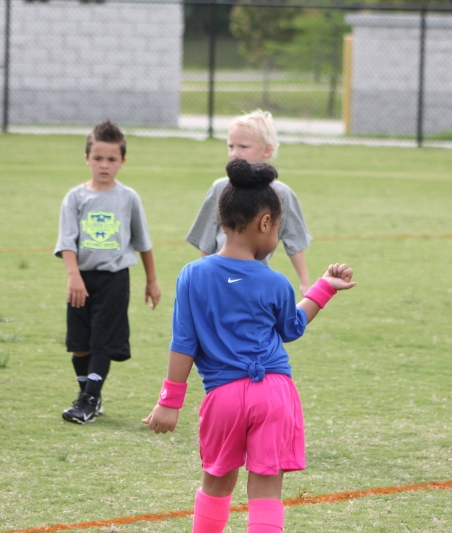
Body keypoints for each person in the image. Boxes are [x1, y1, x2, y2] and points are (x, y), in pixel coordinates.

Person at [142, 158, 356, 532]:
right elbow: (292, 328)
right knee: (267, 491)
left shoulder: (192, 275)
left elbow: (184, 342)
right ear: (265, 223)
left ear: (222, 221)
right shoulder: (275, 282)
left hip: (223, 398)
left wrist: (169, 402)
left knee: (216, 485)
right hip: (274, 394)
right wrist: (324, 288)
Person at [54, 120, 161, 424]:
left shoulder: (128, 198)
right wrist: (73, 275)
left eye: (112, 159)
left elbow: (143, 242)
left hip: (114, 279)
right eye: (98, 158)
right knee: (79, 344)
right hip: (81, 279)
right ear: (86, 158)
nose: (104, 164)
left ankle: (88, 399)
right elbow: (67, 241)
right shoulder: (75, 197)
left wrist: (152, 281)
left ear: (122, 161)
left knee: (102, 341)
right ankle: (89, 396)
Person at [185, 109, 313, 295]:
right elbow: (207, 241)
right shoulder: (220, 188)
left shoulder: (281, 194)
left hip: (255, 283)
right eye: (230, 146)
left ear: (267, 150)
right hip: (220, 281)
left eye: (243, 147)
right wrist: (203, 279)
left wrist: (305, 283)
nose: (234, 153)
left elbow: (295, 240)